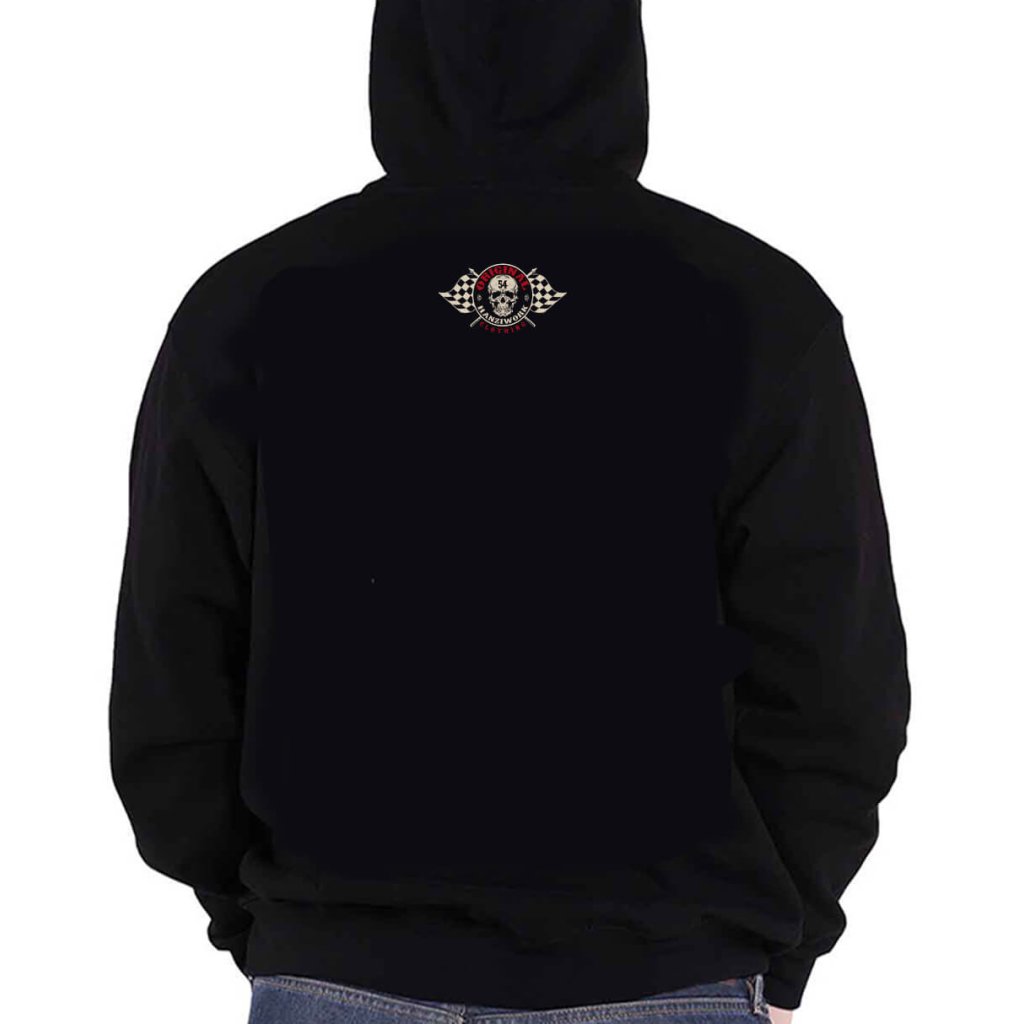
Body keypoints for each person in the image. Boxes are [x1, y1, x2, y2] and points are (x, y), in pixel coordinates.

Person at [108, 2, 911, 1022]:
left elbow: (172, 678)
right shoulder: (757, 304)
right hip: (670, 969)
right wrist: (778, 942)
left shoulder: (249, 303)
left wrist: (277, 924)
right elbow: (834, 680)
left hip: (341, 964)